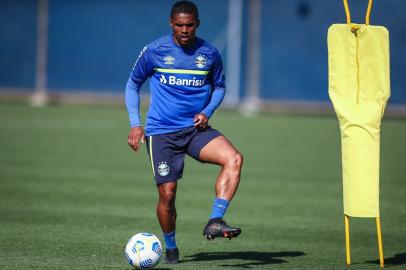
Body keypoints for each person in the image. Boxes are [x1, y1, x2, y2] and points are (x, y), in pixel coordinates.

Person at [125, 0, 243, 264]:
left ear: (197, 24)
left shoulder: (209, 53)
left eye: (189, 25)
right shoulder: (155, 51)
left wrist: (207, 112)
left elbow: (220, 87)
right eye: (179, 25)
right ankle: (170, 248)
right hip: (162, 133)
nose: (184, 30)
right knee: (167, 194)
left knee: (234, 159)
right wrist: (135, 123)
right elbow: (132, 84)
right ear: (171, 24)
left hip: (194, 129)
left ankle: (215, 220)